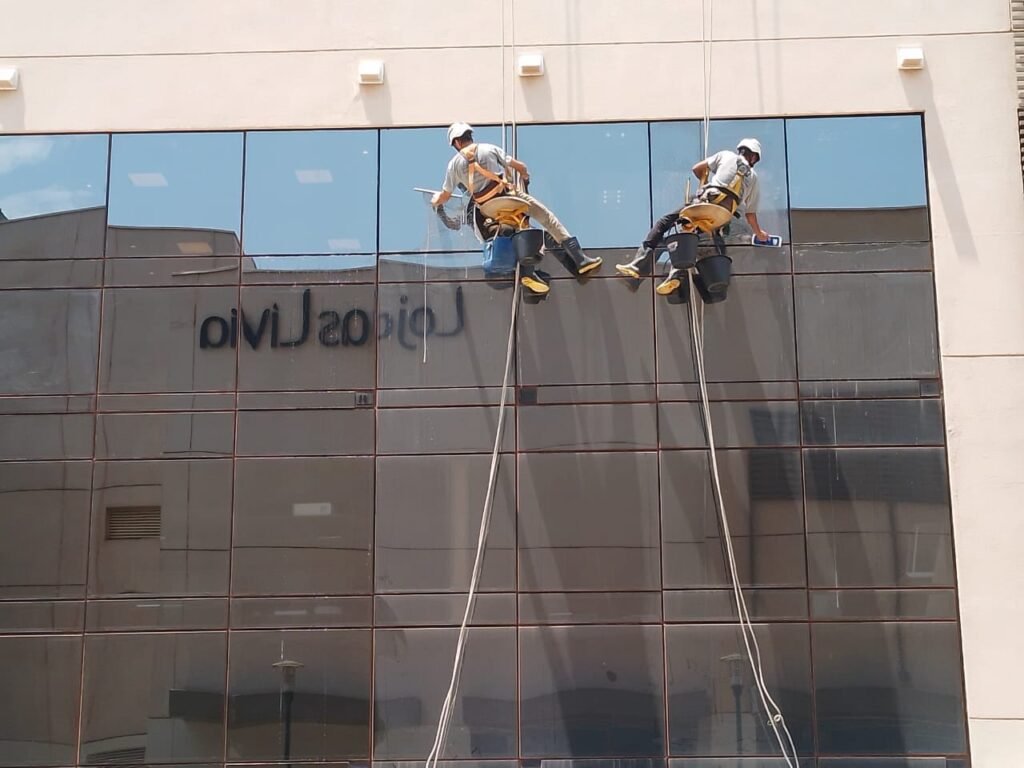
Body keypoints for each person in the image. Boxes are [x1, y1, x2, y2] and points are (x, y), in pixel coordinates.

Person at [431, 122, 601, 295]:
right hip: (508, 198)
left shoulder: (453, 165)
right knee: (546, 218)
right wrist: (525, 176)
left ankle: (528, 274)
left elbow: (444, 195)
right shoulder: (489, 148)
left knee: (520, 228)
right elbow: (520, 167)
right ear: (469, 136)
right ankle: (580, 259)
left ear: (456, 142)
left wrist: (435, 201)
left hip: (488, 208)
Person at [616, 138, 771, 294]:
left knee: (664, 223)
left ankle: (638, 265)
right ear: (753, 157)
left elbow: (696, 168)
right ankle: (675, 274)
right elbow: (750, 214)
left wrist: (704, 180)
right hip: (722, 216)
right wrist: (759, 233)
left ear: (740, 150)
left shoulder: (726, 155)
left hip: (706, 204)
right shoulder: (754, 178)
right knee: (689, 235)